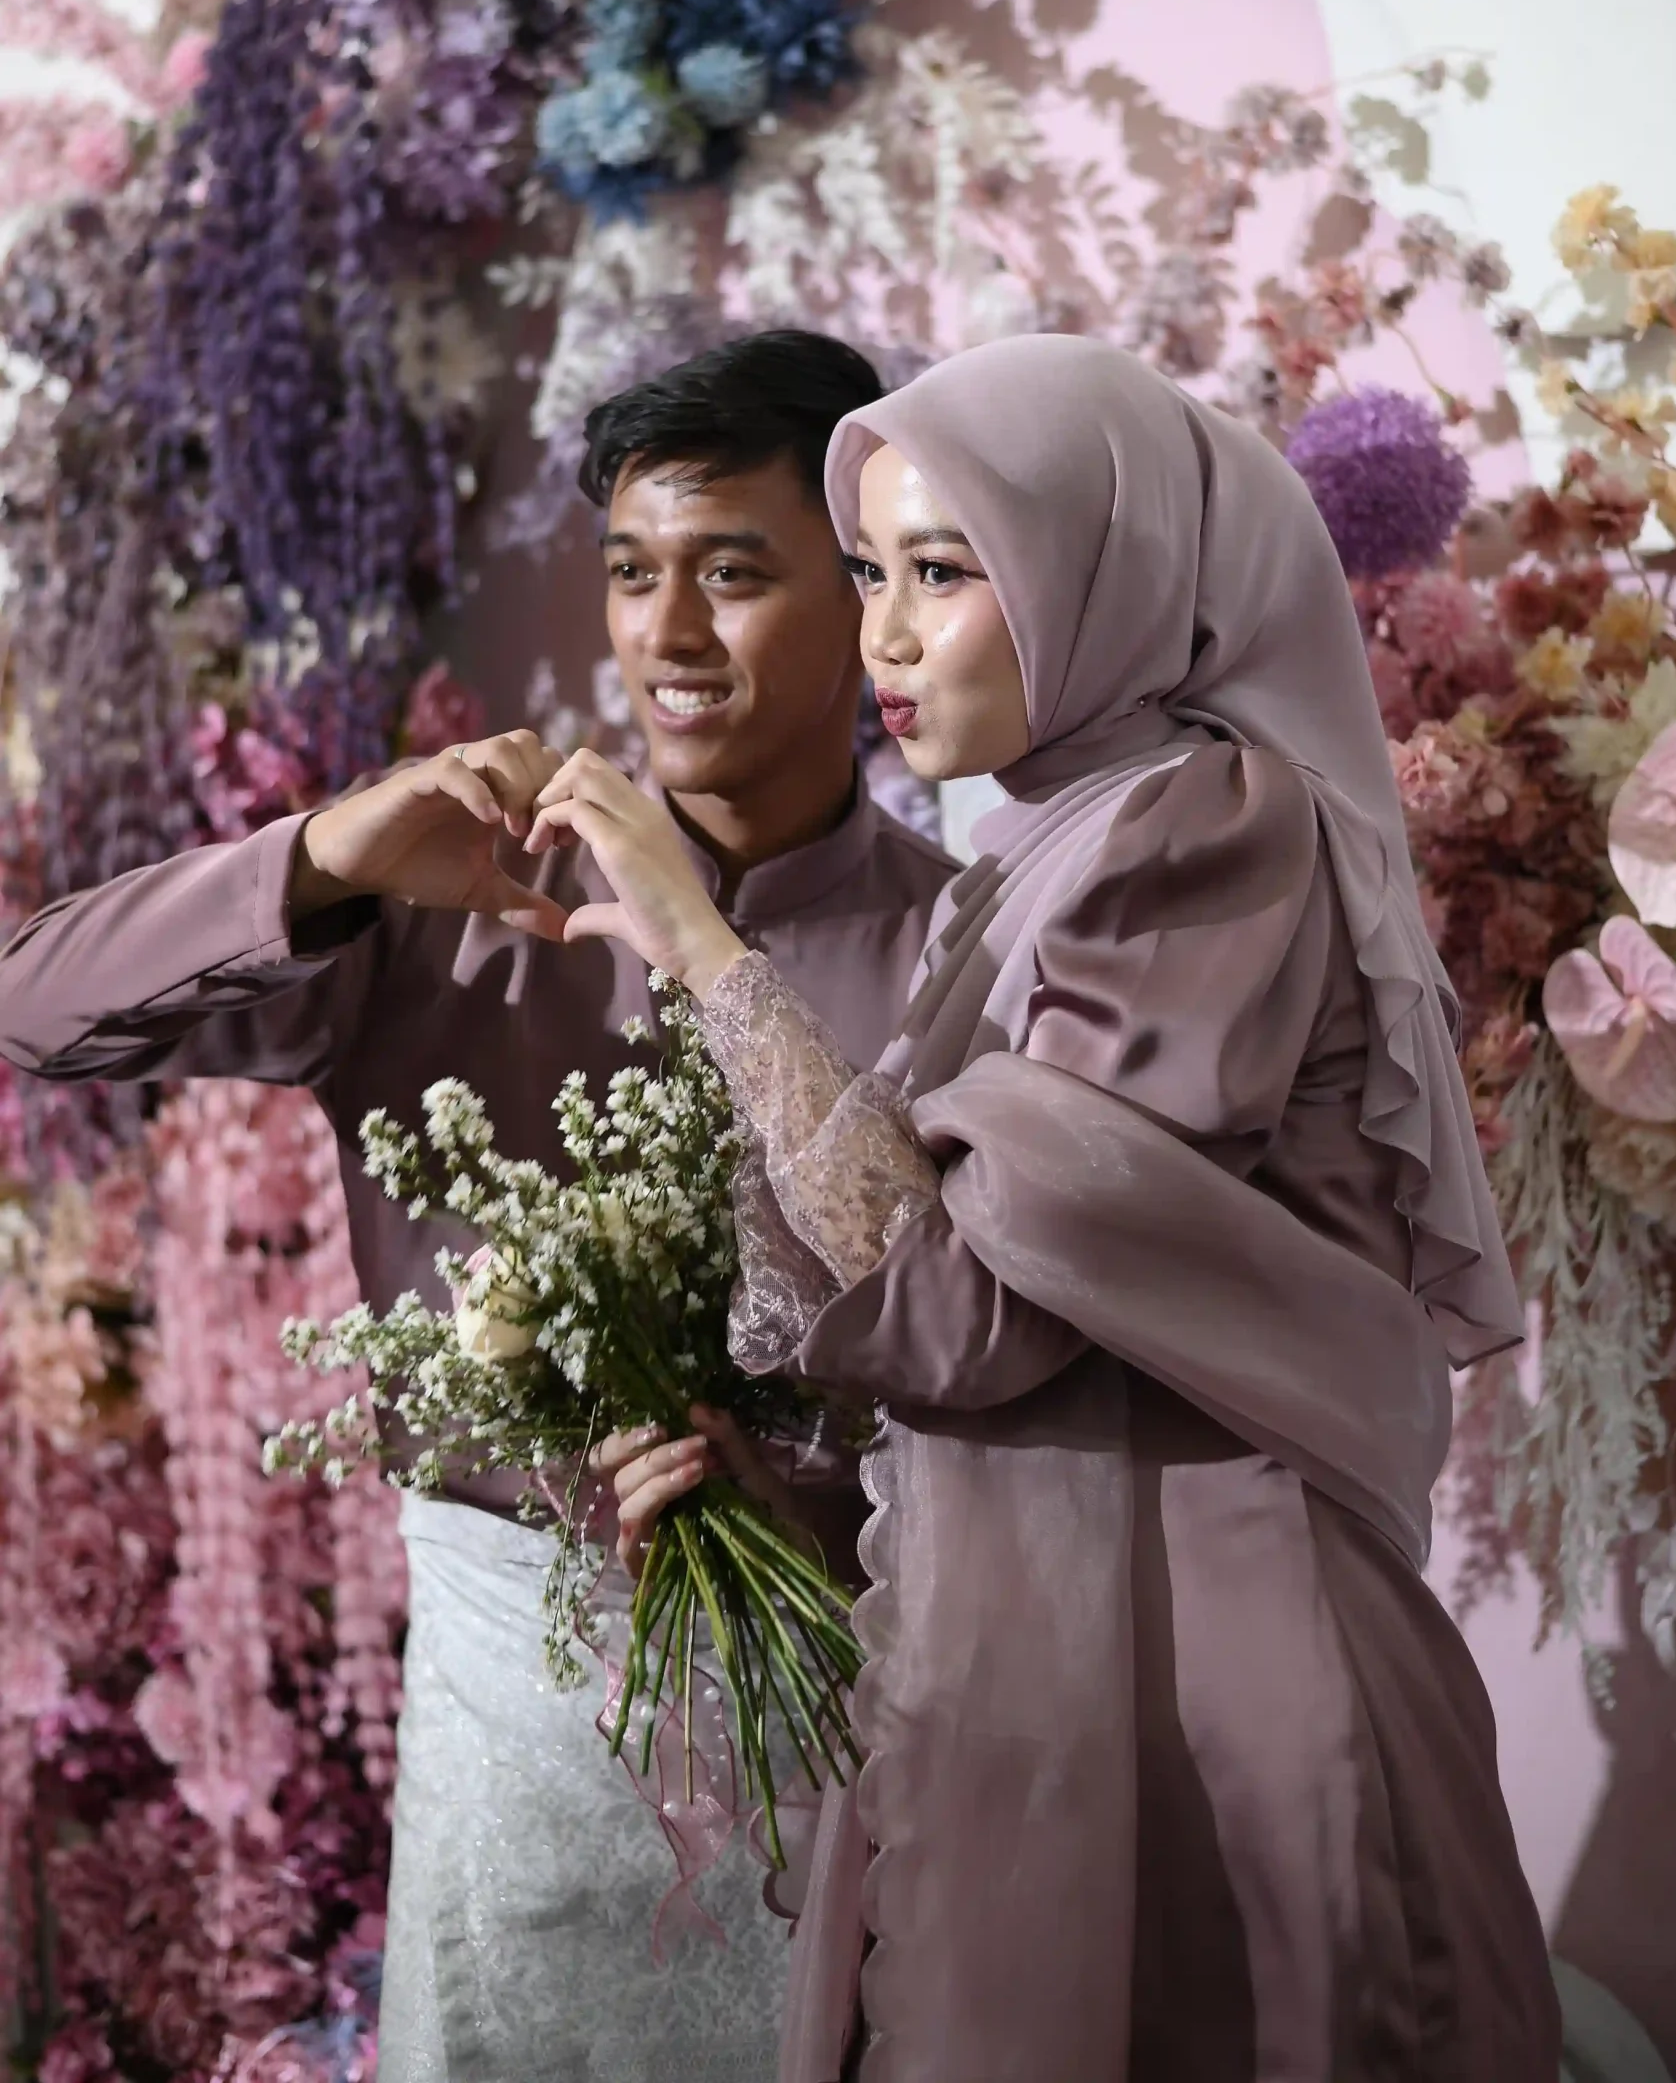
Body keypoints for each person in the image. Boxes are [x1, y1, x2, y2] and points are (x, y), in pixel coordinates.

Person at [534, 335, 1563, 2082]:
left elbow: (972, 1308)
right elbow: (943, 1310)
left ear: (1109, 569)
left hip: (1198, 1666)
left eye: (944, 572)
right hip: (1042, 1644)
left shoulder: (1206, 829)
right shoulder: (1039, 849)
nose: (884, 635)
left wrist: (703, 950)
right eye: (870, 572)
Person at [0, 331, 953, 2083]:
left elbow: (999, 1350)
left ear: (866, 590)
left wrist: (807, 1510)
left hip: (853, 1725)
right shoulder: (463, 888)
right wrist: (327, 856)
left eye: (736, 574)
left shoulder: (962, 947)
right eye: (633, 574)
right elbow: (36, 1008)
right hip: (509, 1734)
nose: (668, 635)